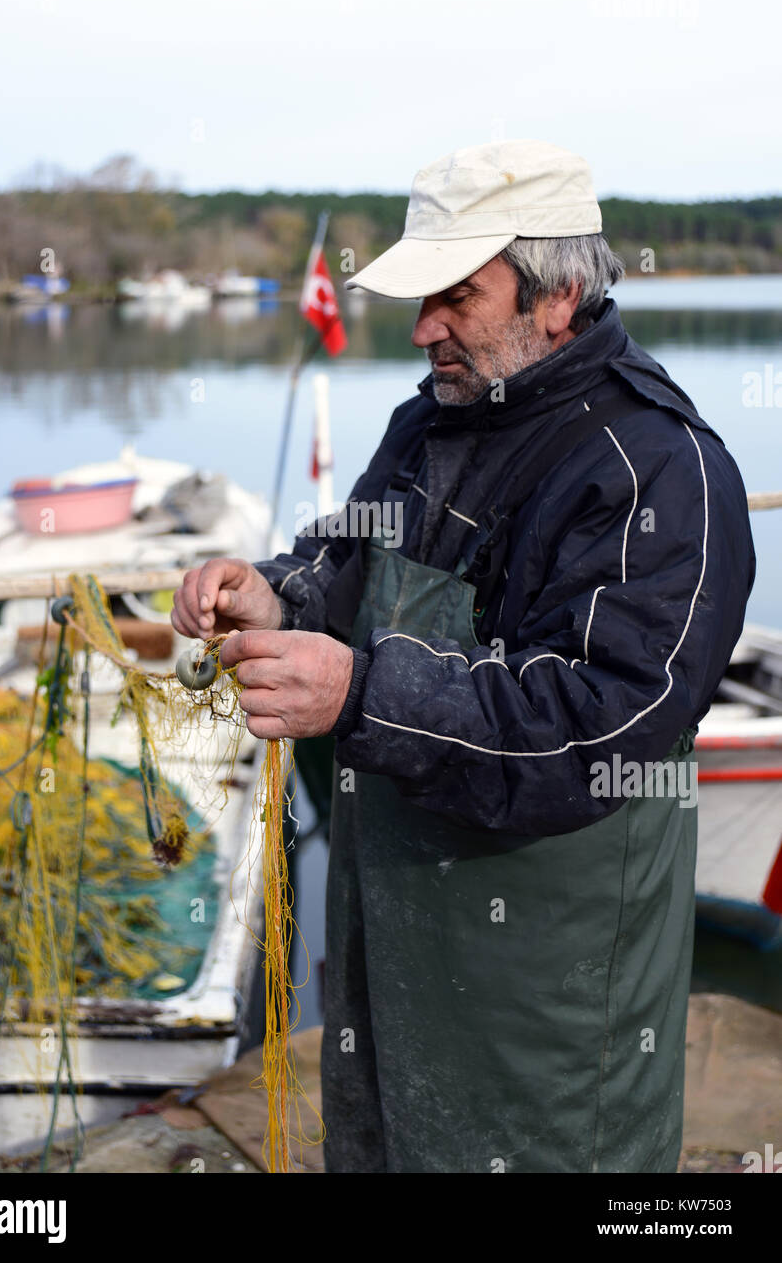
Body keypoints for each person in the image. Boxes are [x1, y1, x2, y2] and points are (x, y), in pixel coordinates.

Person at [171, 140, 755, 1173]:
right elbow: (346, 567)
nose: (423, 325)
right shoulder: (431, 417)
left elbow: (595, 726)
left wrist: (357, 690)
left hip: (551, 999)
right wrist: (271, 594)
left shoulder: (663, 467)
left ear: (559, 294)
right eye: (420, 293)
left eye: (456, 295)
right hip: (392, 955)